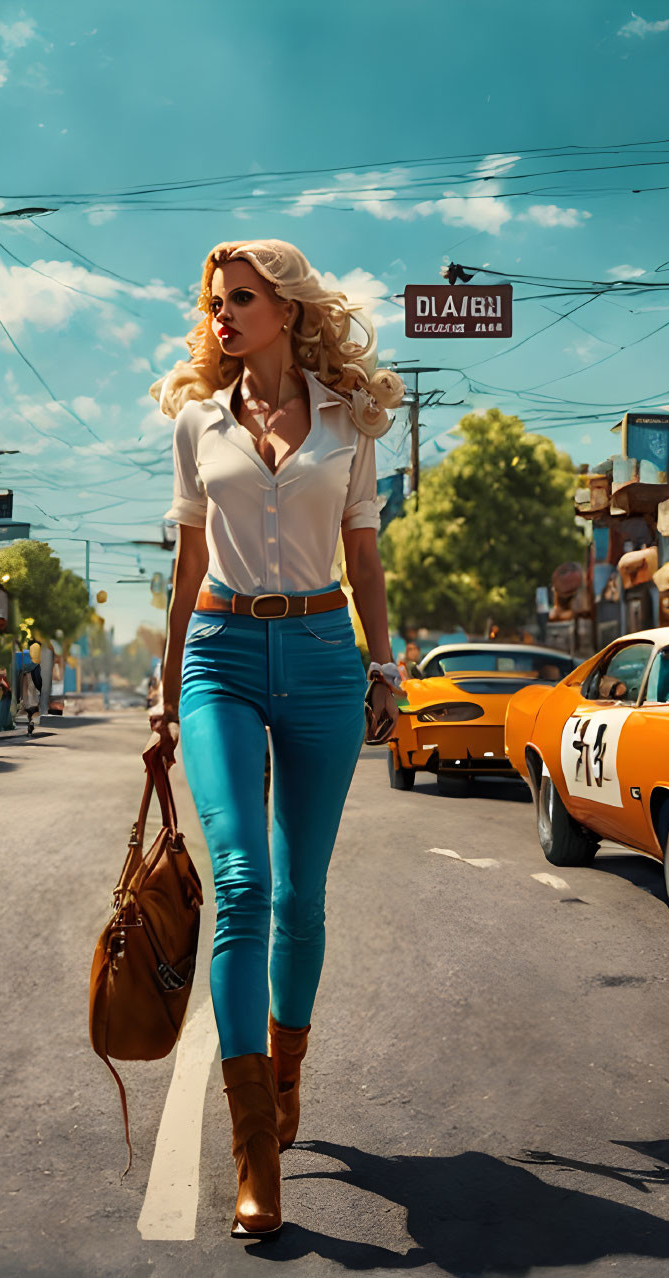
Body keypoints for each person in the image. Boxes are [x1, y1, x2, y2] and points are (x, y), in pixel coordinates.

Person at [148, 239, 404, 1239]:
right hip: (219, 650)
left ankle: (285, 1078)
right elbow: (183, 560)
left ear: (286, 310)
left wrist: (383, 667)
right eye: (215, 301)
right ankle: (254, 1151)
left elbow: (365, 556)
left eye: (241, 299)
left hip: (321, 656)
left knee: (301, 893)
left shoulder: (346, 423)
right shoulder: (192, 422)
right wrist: (167, 689)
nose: (222, 315)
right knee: (244, 885)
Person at [19, 659, 42, 737]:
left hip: (29, 700)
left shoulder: (26, 670)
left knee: (31, 713)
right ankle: (31, 725)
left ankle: (30, 726)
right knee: (33, 713)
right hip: (33, 699)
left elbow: (24, 688)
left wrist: (23, 699)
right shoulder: (36, 668)